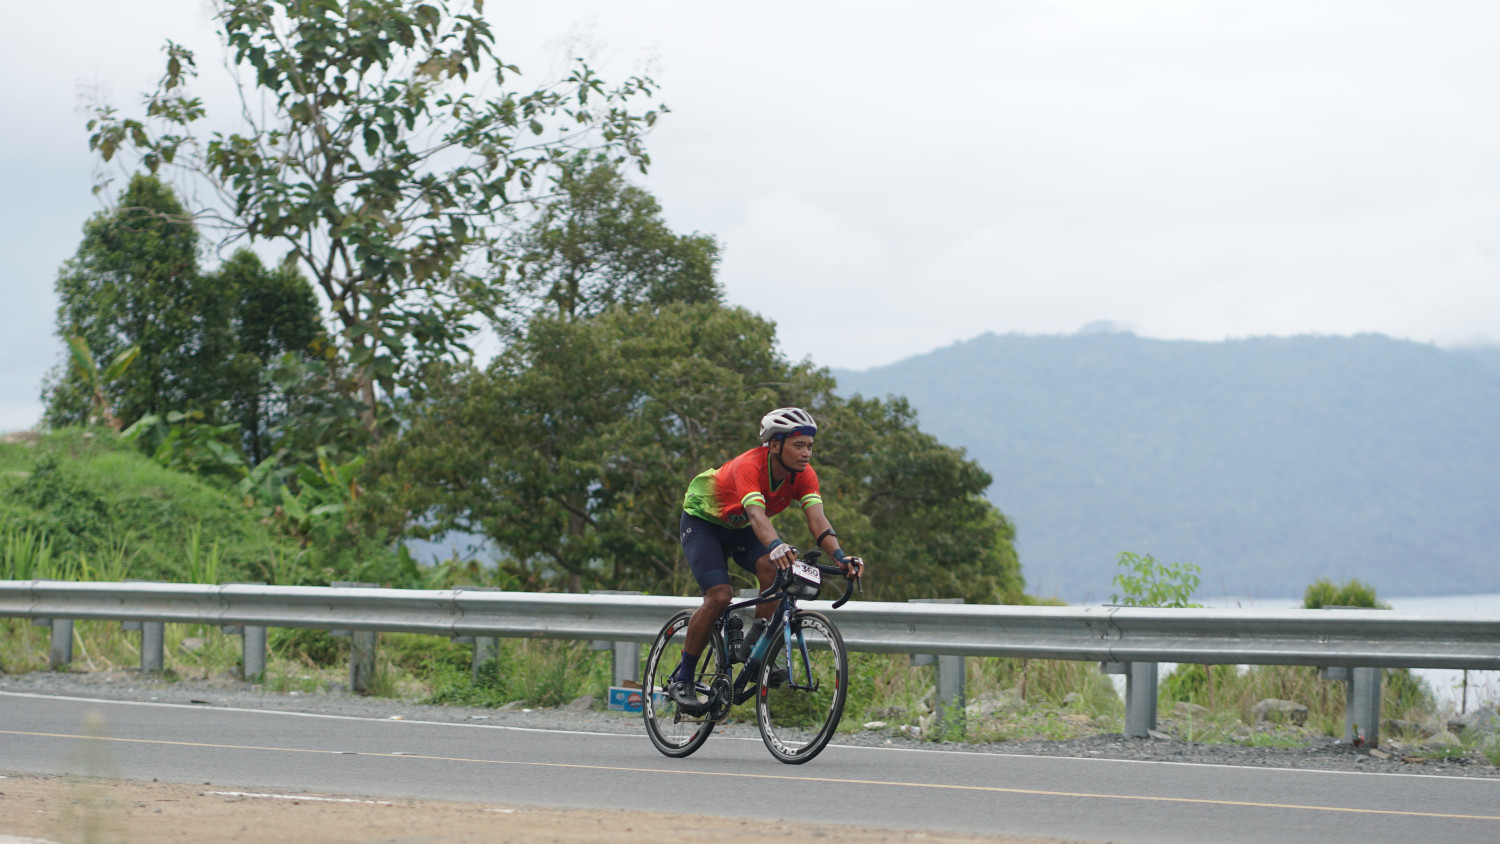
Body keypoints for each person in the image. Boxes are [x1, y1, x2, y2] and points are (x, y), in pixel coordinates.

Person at [666, 406, 865, 707]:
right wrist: (777, 545)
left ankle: (756, 653)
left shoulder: (804, 475)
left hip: (740, 527)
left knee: (774, 571)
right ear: (774, 445)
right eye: (798, 445)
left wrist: (840, 557)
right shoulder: (749, 466)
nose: (806, 453)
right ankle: (683, 679)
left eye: (810, 446)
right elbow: (757, 515)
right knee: (720, 596)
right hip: (704, 523)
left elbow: (817, 520)